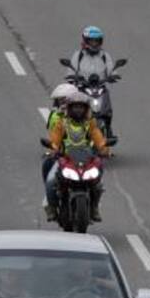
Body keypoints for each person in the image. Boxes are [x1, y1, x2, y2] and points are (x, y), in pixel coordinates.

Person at [44, 94, 109, 222]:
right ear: (69, 108)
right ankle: (51, 208)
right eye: (75, 107)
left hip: (87, 160)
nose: (78, 110)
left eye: (81, 107)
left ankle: (94, 207)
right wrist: (53, 149)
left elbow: (98, 138)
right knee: (51, 181)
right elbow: (55, 140)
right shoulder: (62, 123)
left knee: (98, 181)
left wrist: (104, 149)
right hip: (65, 159)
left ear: (86, 109)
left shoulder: (90, 124)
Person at [42, 83, 81, 182]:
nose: (62, 104)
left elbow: (95, 133)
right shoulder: (56, 116)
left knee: (98, 168)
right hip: (63, 154)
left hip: (84, 154)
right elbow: (53, 134)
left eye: (64, 100)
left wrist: (102, 147)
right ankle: (50, 191)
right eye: (59, 101)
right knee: (48, 167)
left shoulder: (85, 114)